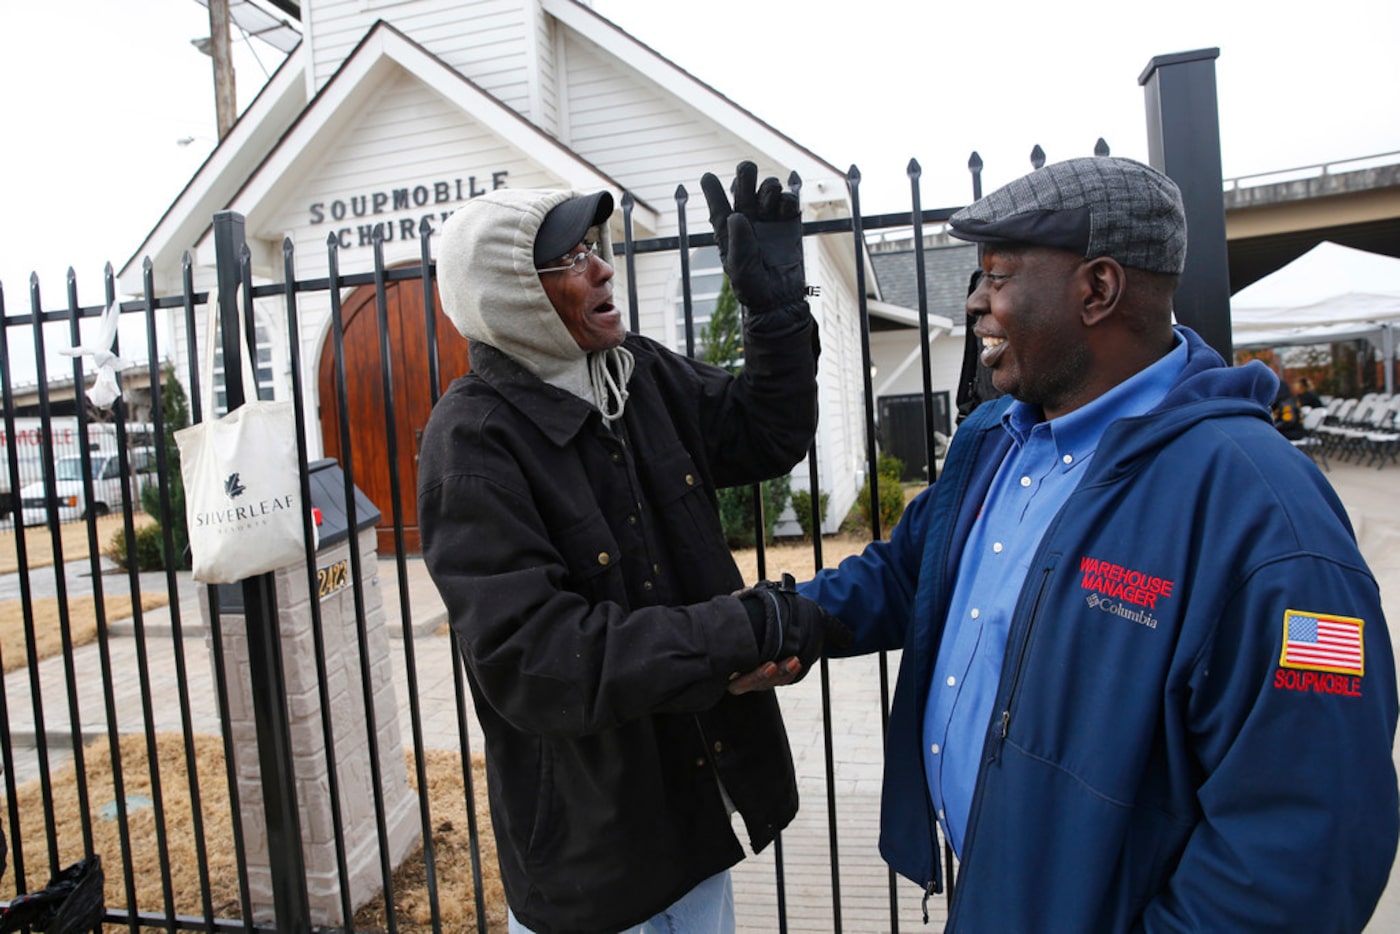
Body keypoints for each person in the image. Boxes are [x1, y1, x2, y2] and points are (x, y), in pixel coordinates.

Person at [786, 156, 1398, 931]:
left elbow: (1310, 840)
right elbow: (911, 577)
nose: (974, 301)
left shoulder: (1267, 514)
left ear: (1098, 290)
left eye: (998, 276)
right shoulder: (996, 441)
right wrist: (767, 624)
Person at [417, 162, 846, 934]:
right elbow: (538, 660)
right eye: (571, 257)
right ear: (511, 290)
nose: (602, 266)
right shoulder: (474, 443)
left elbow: (767, 433)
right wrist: (741, 629)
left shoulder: (635, 375)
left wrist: (775, 309)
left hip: (694, 821)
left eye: (595, 245)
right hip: (596, 868)